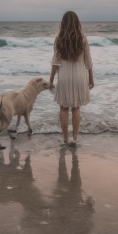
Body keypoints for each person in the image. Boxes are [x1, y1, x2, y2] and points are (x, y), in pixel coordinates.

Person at [49, 11, 94, 146]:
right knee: (76, 108)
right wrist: (91, 78)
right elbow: (88, 60)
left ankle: (64, 139)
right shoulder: (83, 38)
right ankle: (75, 138)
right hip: (80, 75)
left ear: (63, 23)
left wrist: (51, 80)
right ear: (77, 22)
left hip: (64, 75)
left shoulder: (59, 39)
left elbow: (55, 62)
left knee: (63, 108)